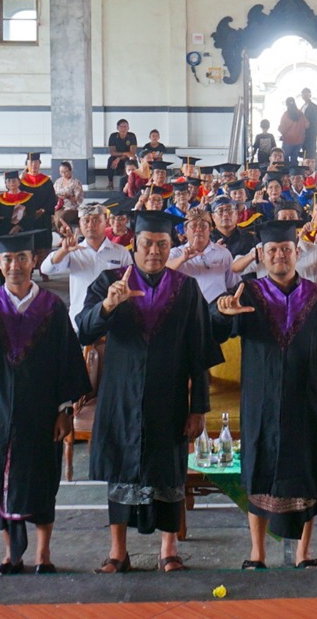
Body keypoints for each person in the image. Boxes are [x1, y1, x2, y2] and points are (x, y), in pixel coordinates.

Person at [0, 234, 91, 575]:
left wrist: (65, 409)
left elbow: (67, 361)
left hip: (42, 411)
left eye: (22, 258)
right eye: (8, 259)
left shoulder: (52, 308)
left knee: (42, 478)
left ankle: (43, 555)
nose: (15, 266)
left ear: (34, 260)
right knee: (1, 479)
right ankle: (11, 556)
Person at [77, 211, 214, 573]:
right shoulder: (109, 281)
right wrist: (108, 305)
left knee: (169, 474)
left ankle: (169, 550)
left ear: (171, 247)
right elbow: (82, 331)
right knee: (120, 472)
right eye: (147, 244)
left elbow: (199, 352)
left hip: (168, 398)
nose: (154, 250)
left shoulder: (186, 289)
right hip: (120, 396)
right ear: (133, 245)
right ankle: (117, 552)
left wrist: (198, 407)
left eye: (162, 244)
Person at [212, 220, 317, 569]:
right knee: (258, 473)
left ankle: (304, 553)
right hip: (259, 402)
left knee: (306, 474)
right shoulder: (250, 294)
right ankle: (257, 553)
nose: (279, 255)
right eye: (272, 250)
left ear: (296, 253)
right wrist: (220, 311)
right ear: (262, 254)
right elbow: (218, 328)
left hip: (304, 403)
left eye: (285, 249)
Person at [40, 203, 131, 320]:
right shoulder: (73, 251)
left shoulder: (121, 252)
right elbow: (46, 269)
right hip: (79, 316)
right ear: (80, 224)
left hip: (111, 316)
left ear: (106, 222)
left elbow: (130, 282)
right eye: (86, 221)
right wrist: (63, 250)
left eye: (96, 220)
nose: (91, 225)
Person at [166, 207, 238, 301]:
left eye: (203, 226)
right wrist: (182, 259)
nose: (198, 229)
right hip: (188, 308)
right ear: (185, 230)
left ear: (210, 229)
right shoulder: (177, 253)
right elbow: (164, 269)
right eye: (193, 226)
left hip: (217, 308)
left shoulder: (223, 253)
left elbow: (231, 285)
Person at [279, 99, 309, 165]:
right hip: (299, 140)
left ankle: (286, 174)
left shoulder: (286, 115)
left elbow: (281, 128)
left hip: (288, 140)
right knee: (294, 159)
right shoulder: (300, 114)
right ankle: (294, 173)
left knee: (285, 158)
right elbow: (307, 125)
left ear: (287, 105)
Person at [300, 88, 317, 161]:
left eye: (307, 93)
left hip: (310, 134)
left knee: (311, 153)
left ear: (310, 95)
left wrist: (314, 133)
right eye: (303, 93)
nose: (305, 95)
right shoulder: (302, 107)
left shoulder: (314, 108)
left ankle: (313, 168)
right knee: (304, 153)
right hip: (302, 134)